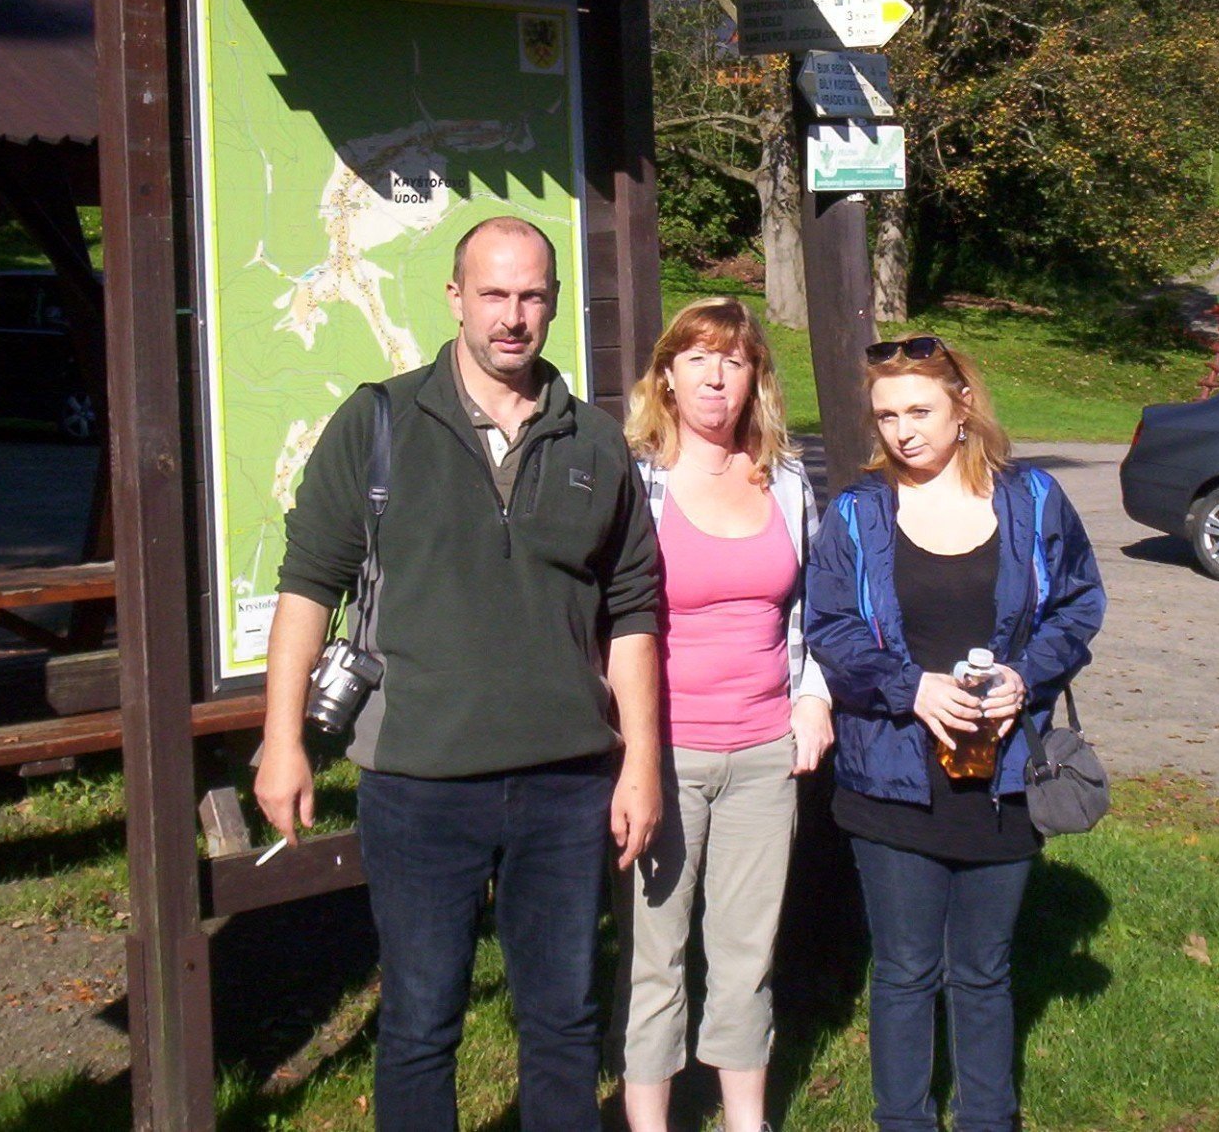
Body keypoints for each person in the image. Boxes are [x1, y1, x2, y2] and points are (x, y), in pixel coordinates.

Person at [254, 215, 663, 1132]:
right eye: (493, 294)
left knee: (562, 1022)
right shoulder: (380, 422)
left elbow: (633, 612)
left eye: (531, 296)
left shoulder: (594, 442)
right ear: (455, 298)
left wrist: (640, 764)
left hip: (565, 782)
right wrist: (282, 743)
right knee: (421, 1023)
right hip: (420, 782)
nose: (512, 317)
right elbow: (306, 588)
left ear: (553, 303)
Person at [804, 335, 1105, 1132]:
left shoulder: (1034, 499)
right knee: (904, 972)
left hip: (1003, 778)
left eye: (920, 411)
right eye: (887, 415)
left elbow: (1079, 605)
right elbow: (828, 628)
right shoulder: (857, 512)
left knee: (982, 972)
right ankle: (902, 1120)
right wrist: (910, 688)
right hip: (891, 777)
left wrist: (1026, 676)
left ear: (963, 405)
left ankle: (987, 1119)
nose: (902, 431)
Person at [614, 297, 834, 1132]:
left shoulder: (782, 476)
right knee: (655, 957)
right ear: (666, 374)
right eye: (698, 358)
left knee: (746, 955)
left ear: (756, 379)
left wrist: (812, 697)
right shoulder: (637, 477)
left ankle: (747, 1121)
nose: (715, 376)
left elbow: (814, 606)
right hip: (660, 756)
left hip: (763, 754)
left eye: (734, 361)